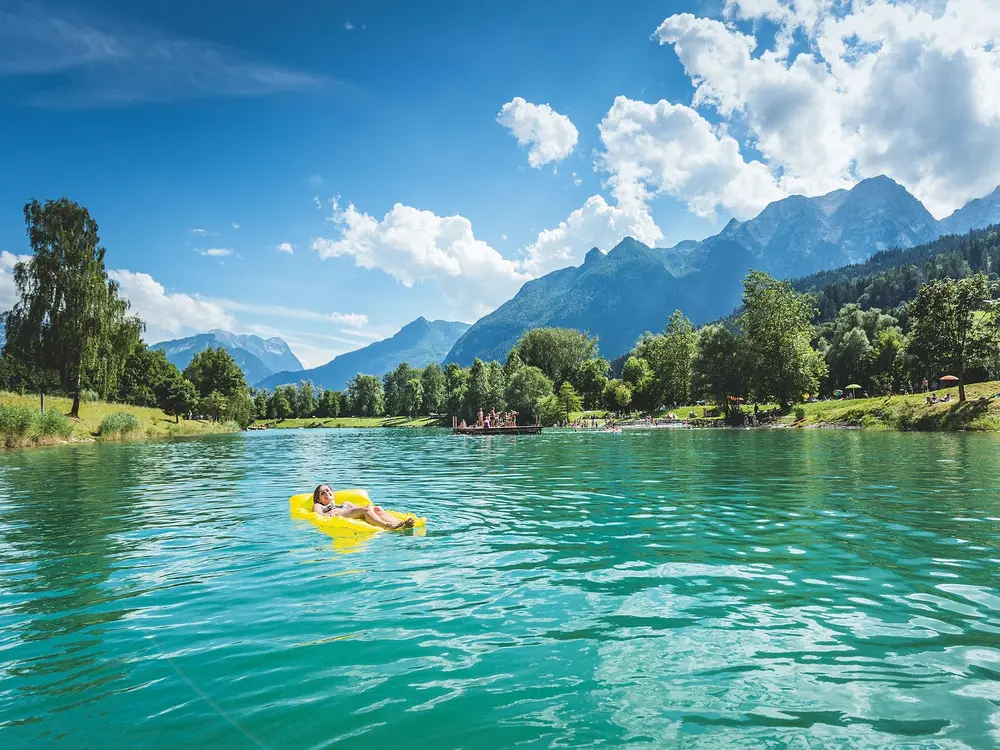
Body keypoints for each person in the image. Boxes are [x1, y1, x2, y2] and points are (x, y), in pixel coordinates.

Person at [312, 485, 414, 529]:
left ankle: (399, 523)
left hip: (349, 511)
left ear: (333, 493)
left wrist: (374, 509)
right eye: (322, 493)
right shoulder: (319, 505)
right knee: (366, 509)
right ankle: (386, 526)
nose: (326, 493)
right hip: (340, 514)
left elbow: (362, 508)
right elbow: (317, 513)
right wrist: (326, 515)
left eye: (328, 490)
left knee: (376, 508)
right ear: (318, 499)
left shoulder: (346, 502)